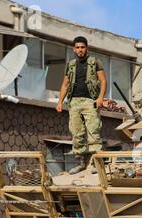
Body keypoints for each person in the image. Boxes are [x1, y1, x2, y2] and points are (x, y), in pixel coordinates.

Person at [56, 36, 109, 174]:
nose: (80, 50)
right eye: (78, 47)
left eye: (82, 47)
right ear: (74, 49)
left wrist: (100, 98)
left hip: (90, 101)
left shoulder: (95, 62)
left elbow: (103, 81)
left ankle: (95, 163)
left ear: (87, 48)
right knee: (76, 132)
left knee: (93, 130)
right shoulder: (71, 65)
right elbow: (65, 84)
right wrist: (60, 102)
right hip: (74, 101)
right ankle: (81, 162)